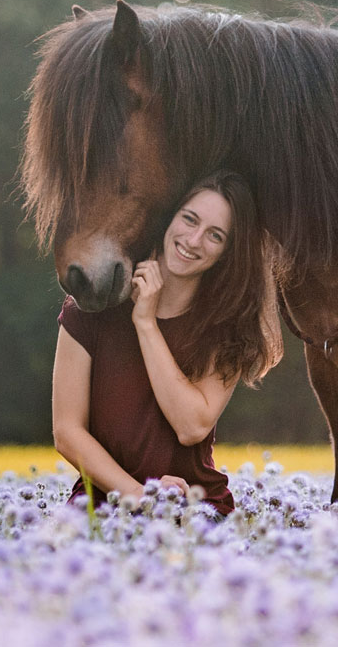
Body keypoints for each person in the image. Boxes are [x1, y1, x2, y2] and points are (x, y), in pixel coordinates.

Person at [50, 170, 282, 516]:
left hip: (194, 508)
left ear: (227, 253)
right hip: (101, 504)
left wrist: (146, 324)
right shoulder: (91, 309)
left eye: (215, 236)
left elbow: (191, 427)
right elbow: (67, 431)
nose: (193, 239)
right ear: (168, 216)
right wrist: (138, 493)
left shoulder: (229, 329)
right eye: (189, 219)